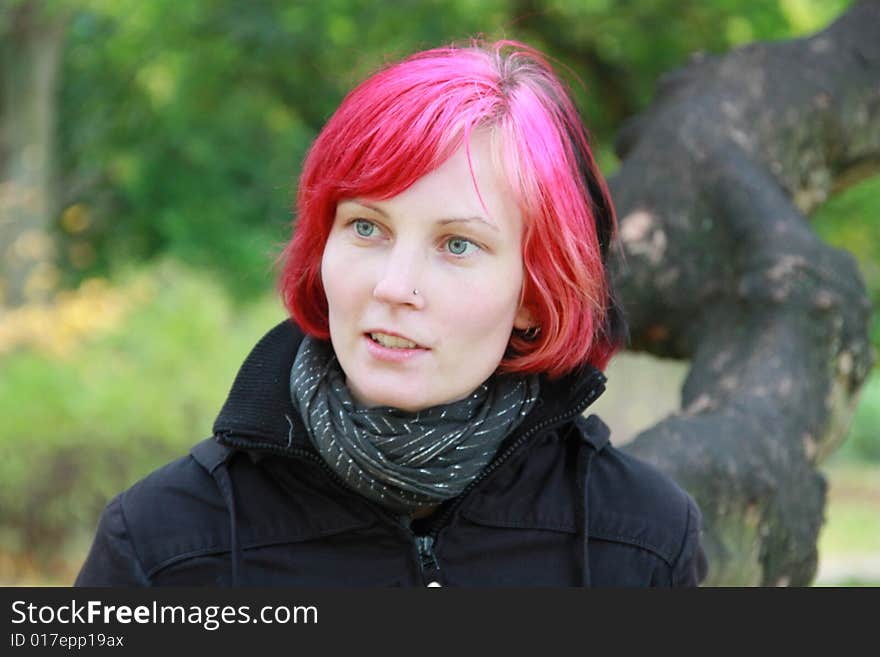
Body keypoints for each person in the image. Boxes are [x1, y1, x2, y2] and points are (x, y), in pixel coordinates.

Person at [76, 40, 707, 587]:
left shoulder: (641, 539)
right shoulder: (165, 542)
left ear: (535, 296)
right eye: (366, 227)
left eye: (458, 244)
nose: (394, 285)